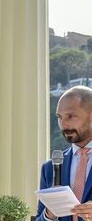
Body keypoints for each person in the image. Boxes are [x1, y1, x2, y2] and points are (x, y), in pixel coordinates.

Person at [38, 87, 92, 221]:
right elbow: (39, 218)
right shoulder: (49, 168)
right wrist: (49, 214)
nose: (63, 124)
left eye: (70, 116)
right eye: (59, 117)